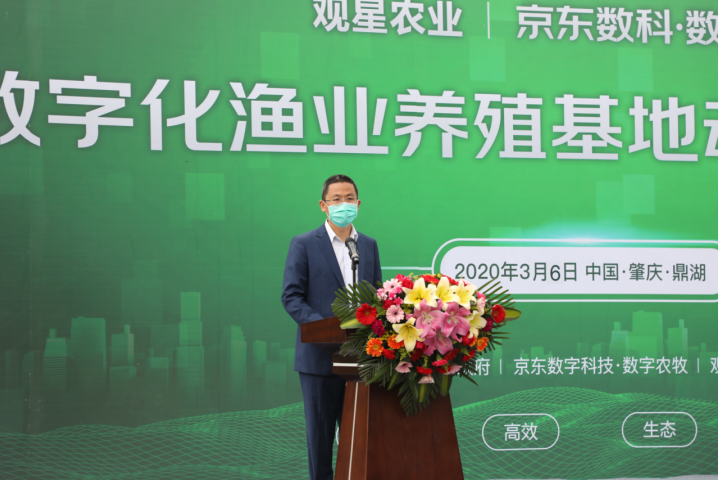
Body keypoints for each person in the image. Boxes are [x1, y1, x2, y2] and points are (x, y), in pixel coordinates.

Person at [281, 174, 382, 480]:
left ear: (358, 204)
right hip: (320, 359)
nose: (343, 204)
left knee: (363, 442)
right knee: (321, 442)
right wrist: (325, 328)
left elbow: (378, 296)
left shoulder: (368, 245)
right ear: (323, 205)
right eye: (336, 199)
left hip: (362, 360)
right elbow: (291, 296)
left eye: (349, 198)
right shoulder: (304, 244)